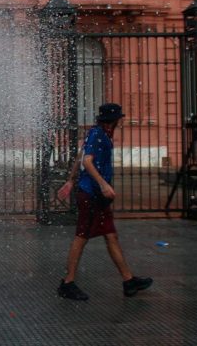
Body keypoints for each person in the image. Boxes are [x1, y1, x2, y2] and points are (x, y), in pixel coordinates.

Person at [58, 103, 153, 301]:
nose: (121, 121)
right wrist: (102, 184)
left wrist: (70, 178)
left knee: (111, 236)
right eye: (119, 118)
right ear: (113, 121)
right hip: (91, 194)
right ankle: (67, 283)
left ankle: (128, 281)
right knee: (81, 237)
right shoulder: (98, 134)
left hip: (96, 196)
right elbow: (87, 161)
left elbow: (80, 156)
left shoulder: (99, 133)